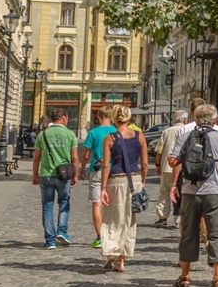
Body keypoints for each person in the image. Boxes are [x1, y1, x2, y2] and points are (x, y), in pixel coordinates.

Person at [170, 103, 218, 287]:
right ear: (215, 119)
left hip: (190, 191)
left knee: (189, 234)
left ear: (195, 118)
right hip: (215, 192)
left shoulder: (185, 136)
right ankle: (217, 277)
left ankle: (184, 276)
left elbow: (172, 161)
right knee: (217, 233)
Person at [99, 105, 147, 273]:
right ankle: (122, 259)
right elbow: (145, 163)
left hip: (116, 180)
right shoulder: (140, 136)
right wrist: (143, 181)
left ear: (114, 118)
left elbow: (106, 165)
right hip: (135, 180)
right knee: (129, 219)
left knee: (112, 218)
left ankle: (112, 251)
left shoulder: (110, 138)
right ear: (129, 117)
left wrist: (103, 188)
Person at [32, 108, 77, 249]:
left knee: (47, 206)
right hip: (64, 174)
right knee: (64, 202)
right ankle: (62, 231)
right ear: (63, 118)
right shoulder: (70, 134)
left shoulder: (42, 134)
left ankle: (50, 240)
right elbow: (74, 157)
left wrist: (35, 174)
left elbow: (36, 158)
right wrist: (75, 174)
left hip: (46, 174)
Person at [79, 106, 117, 249]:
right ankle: (112, 234)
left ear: (99, 117)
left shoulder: (93, 133)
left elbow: (86, 155)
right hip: (114, 170)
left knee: (97, 204)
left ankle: (100, 237)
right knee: (113, 204)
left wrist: (82, 170)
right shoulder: (116, 132)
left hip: (97, 169)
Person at [154, 110, 187, 227]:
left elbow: (159, 150)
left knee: (164, 192)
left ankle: (162, 216)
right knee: (180, 193)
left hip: (167, 167)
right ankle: (178, 219)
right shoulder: (187, 130)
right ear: (185, 120)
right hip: (182, 167)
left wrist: (157, 165)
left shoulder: (166, 131)